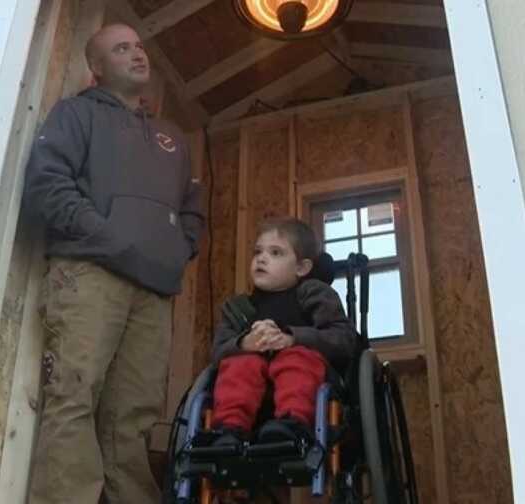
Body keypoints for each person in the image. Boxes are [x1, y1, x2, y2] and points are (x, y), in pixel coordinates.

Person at [24, 23, 204, 504]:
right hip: (90, 273)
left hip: (153, 288)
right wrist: (104, 234)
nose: (137, 55)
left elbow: (192, 208)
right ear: (97, 68)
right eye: (121, 49)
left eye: (139, 46)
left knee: (133, 418)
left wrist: (177, 249)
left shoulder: (172, 138)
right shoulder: (76, 114)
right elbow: (47, 183)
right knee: (73, 397)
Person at [210, 218, 356, 445]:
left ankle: (292, 423)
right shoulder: (238, 308)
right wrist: (244, 344)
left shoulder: (315, 294)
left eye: (276, 253)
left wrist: (292, 338)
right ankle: (230, 429)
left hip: (307, 386)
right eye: (258, 252)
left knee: (295, 357)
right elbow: (217, 353)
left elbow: (343, 340)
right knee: (241, 363)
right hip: (252, 391)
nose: (261, 258)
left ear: (301, 268)